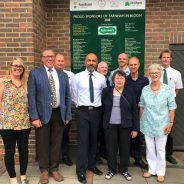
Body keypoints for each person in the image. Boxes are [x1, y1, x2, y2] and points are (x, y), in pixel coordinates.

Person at [28, 49, 71, 184]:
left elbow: (67, 96)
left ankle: (54, 168)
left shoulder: (62, 75)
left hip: (59, 113)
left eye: (51, 56)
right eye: (46, 56)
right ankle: (44, 170)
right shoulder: (35, 74)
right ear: (42, 59)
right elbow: (32, 97)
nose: (49, 59)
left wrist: (67, 114)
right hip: (42, 115)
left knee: (56, 143)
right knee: (43, 143)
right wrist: (34, 117)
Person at [71, 53, 106, 184]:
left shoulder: (101, 78)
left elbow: (104, 93)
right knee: (83, 141)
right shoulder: (78, 77)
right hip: (83, 111)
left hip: (97, 111)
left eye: (94, 61)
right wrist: (81, 107)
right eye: (89, 60)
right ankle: (80, 171)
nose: (91, 62)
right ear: (85, 62)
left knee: (94, 140)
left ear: (96, 63)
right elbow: (74, 94)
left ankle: (91, 166)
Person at [139, 63, 177, 183]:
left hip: (162, 124)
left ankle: (160, 172)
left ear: (160, 74)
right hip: (147, 123)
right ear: (149, 74)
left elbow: (172, 107)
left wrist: (170, 122)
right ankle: (151, 170)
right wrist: (141, 121)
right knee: (150, 148)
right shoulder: (145, 89)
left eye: (156, 73)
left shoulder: (167, 89)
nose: (154, 75)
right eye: (152, 73)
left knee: (160, 149)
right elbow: (141, 106)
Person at [102, 70, 139, 181]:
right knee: (111, 148)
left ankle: (124, 169)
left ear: (125, 80)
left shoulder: (130, 92)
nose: (119, 80)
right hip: (110, 125)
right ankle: (112, 169)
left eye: (121, 78)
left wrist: (135, 128)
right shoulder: (106, 91)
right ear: (113, 80)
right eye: (117, 78)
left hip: (125, 125)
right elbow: (102, 108)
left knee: (125, 148)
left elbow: (134, 111)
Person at [0, 58, 31, 184]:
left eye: (21, 66)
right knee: (10, 151)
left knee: (24, 150)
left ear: (23, 69)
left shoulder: (26, 83)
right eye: (15, 65)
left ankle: (23, 175)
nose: (18, 68)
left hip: (24, 123)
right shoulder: (3, 82)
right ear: (11, 66)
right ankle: (12, 178)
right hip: (7, 123)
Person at [159, 49, 183, 164]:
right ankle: (158, 153)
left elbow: (177, 90)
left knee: (169, 130)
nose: (166, 59)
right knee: (158, 129)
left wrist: (169, 98)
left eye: (168, 57)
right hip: (157, 106)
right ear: (160, 59)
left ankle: (168, 154)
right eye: (164, 57)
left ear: (171, 59)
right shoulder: (156, 71)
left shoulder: (176, 73)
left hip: (169, 106)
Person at [126, 56, 149, 169]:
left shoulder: (145, 80)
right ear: (128, 66)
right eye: (131, 65)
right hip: (128, 112)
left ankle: (138, 159)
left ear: (139, 65)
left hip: (141, 111)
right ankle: (126, 158)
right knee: (127, 135)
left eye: (135, 64)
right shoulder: (125, 80)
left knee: (139, 136)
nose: (133, 66)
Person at [54, 53, 74, 166]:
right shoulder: (50, 75)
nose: (61, 63)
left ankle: (65, 156)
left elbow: (72, 93)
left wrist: (68, 112)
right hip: (54, 110)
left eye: (62, 61)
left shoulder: (70, 75)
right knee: (54, 136)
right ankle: (55, 158)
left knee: (65, 135)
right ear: (55, 62)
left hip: (65, 109)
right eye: (59, 61)